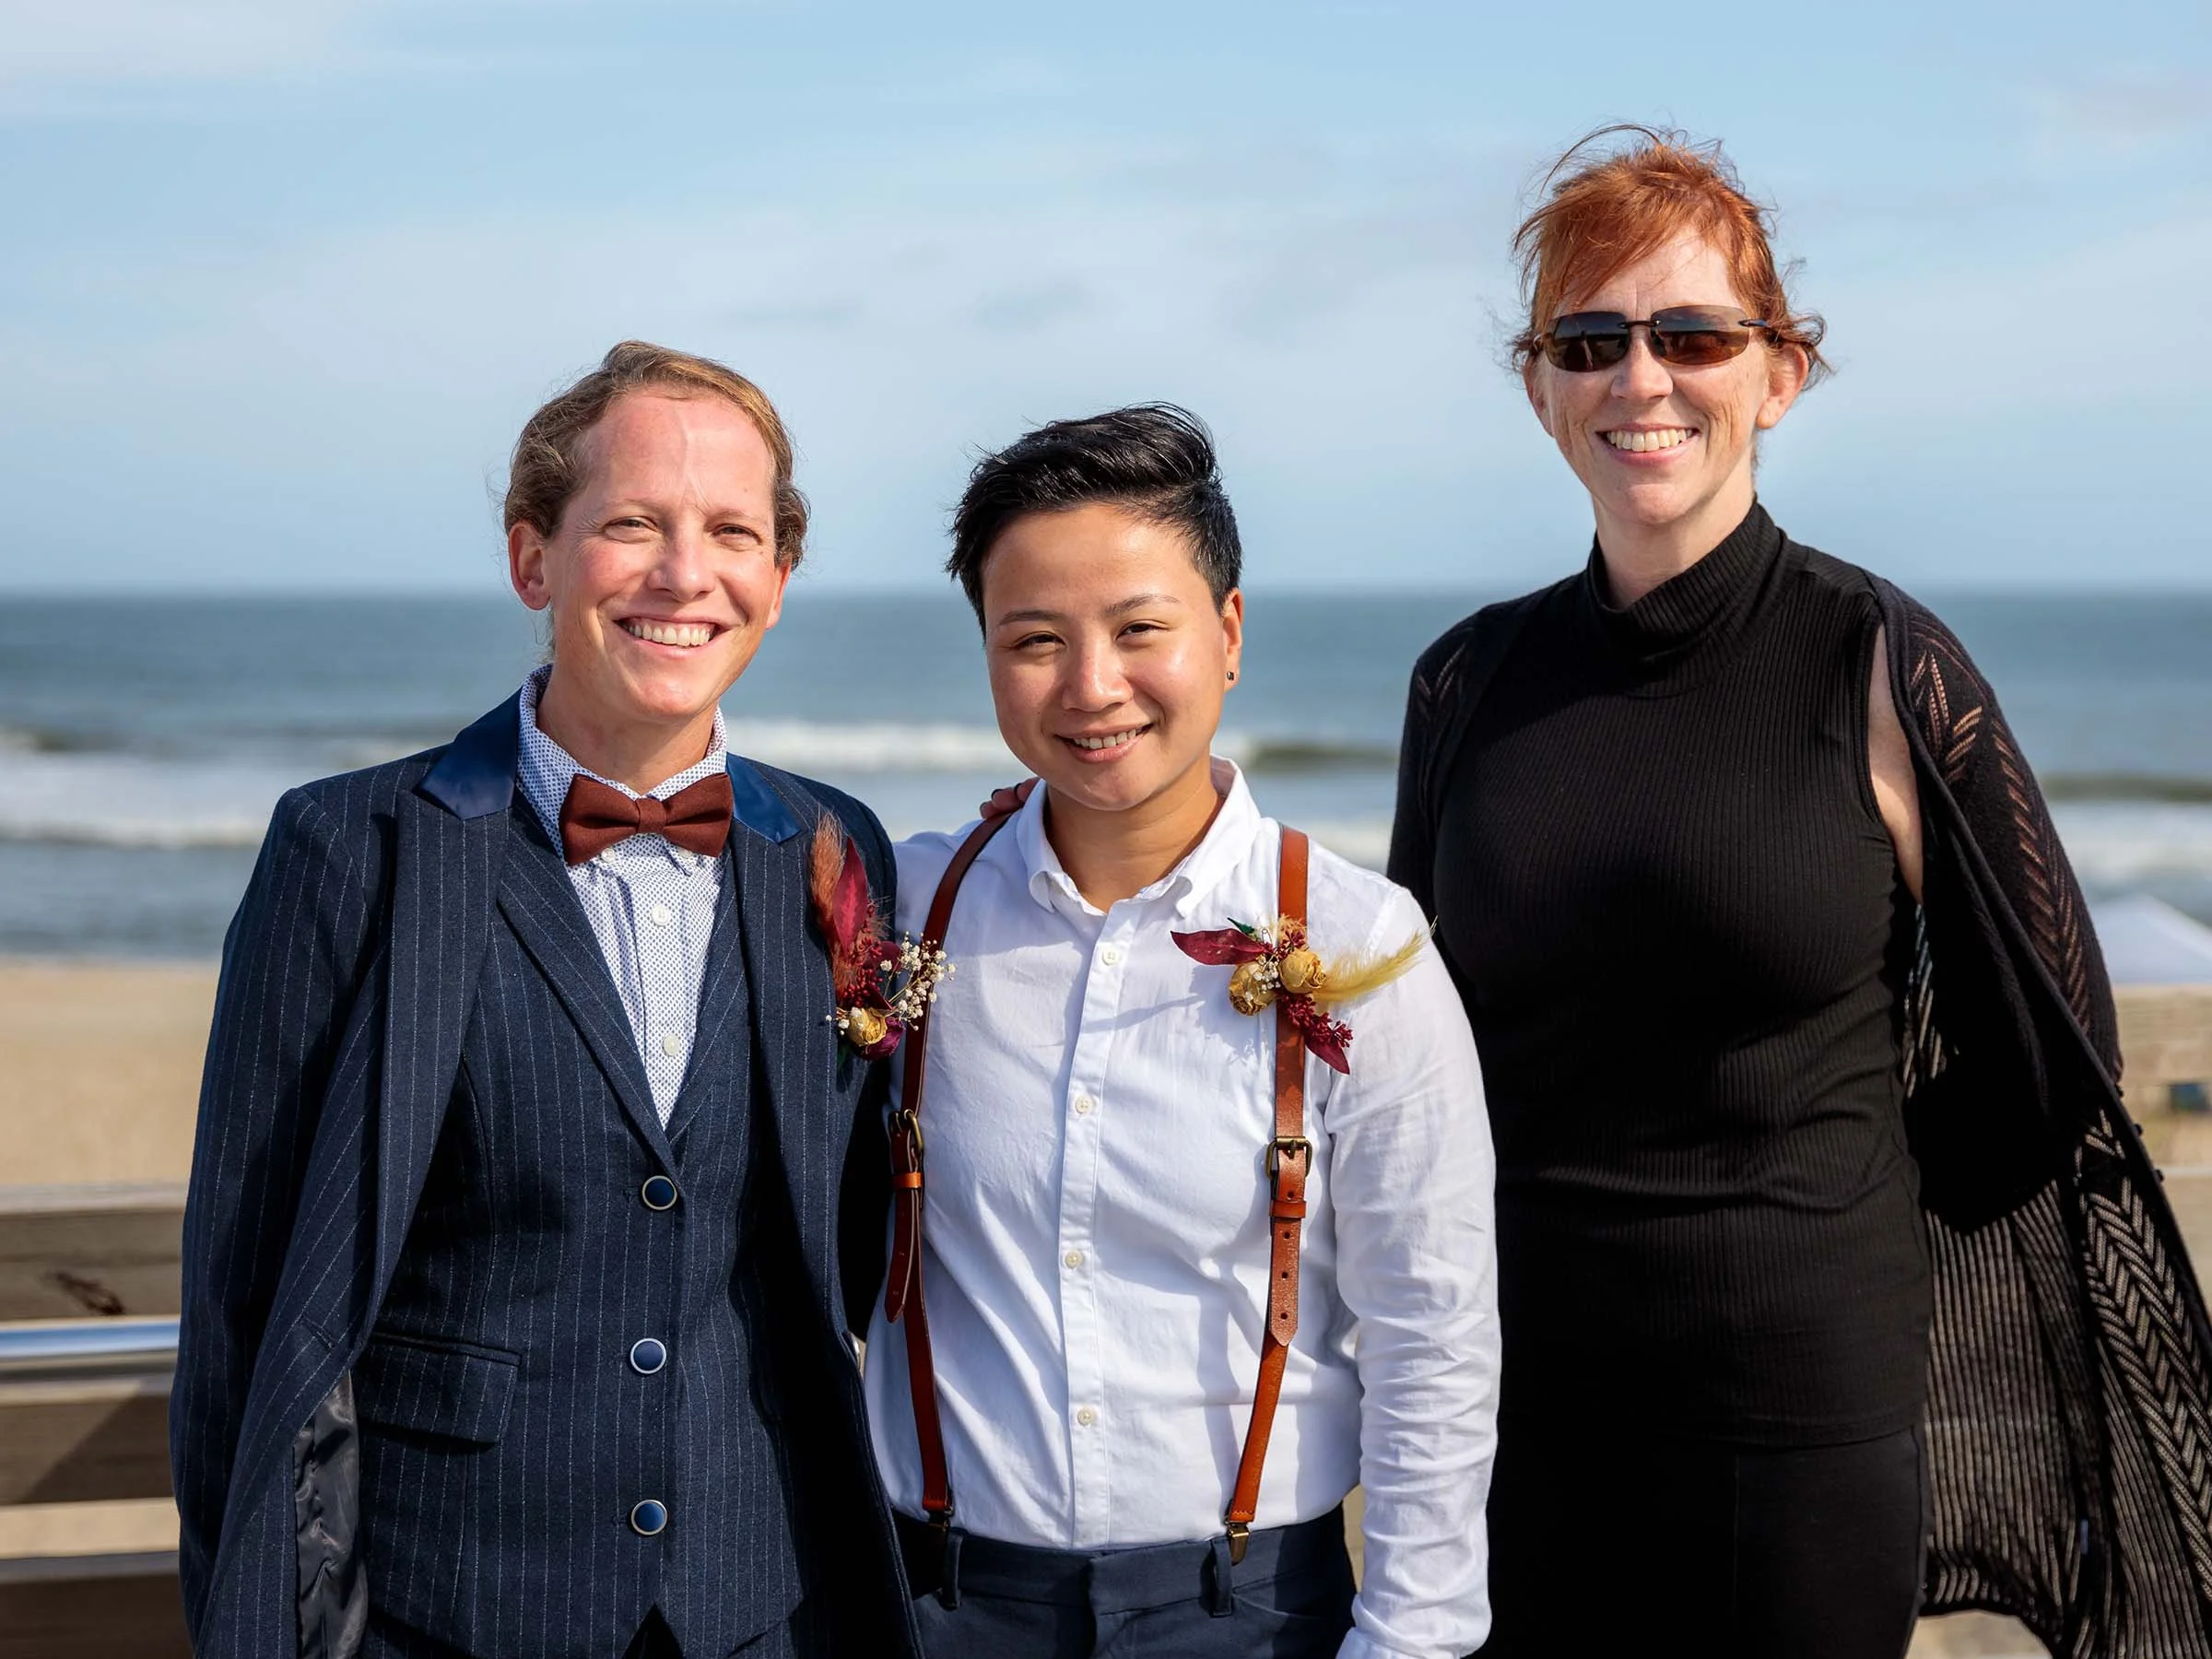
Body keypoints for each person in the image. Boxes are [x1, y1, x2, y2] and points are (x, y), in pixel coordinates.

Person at [1388, 127, 2212, 1657]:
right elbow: (1419, 1049)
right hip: (1522, 1421)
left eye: (1693, 334)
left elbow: (2052, 1053)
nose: (1643, 378)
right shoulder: (1467, 680)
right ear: (1541, 391)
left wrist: (1841, 1213)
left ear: (1779, 375)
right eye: (1592, 340)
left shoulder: (1881, 662)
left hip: (1799, 1433)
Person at [172, 342, 920, 1659]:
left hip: (765, 1604)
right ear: (534, 559)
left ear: (780, 581)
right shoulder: (351, 850)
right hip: (444, 1605)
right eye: (631, 524)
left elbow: (852, 1239)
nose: (685, 575)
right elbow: (245, 1301)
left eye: (731, 532)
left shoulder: (833, 846)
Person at [862, 405, 1498, 1659]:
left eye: (1140, 629)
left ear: (1229, 632)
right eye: (1033, 640)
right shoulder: (898, 915)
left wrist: (1412, 1639)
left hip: (1251, 1615)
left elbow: (1434, 1337)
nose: (1092, 687)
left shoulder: (1369, 951)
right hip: (934, 1608)